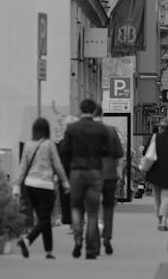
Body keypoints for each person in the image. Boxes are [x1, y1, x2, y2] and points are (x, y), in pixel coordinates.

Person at [59, 99, 110, 259]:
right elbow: (107, 150)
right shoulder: (101, 129)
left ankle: (77, 239)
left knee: (76, 207)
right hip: (95, 171)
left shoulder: (72, 128)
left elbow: (64, 150)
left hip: (76, 171)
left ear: (81, 109)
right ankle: (90, 249)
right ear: (93, 110)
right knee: (92, 211)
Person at [13, 117, 70, 259]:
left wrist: (16, 185)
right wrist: (65, 182)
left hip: (30, 185)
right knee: (45, 219)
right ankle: (27, 240)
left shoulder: (27, 145)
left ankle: (48, 251)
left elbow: (22, 167)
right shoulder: (49, 145)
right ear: (47, 130)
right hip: (45, 186)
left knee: (43, 218)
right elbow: (57, 165)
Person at [93, 105, 123, 255]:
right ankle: (107, 236)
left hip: (92, 173)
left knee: (93, 206)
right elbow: (119, 152)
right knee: (108, 206)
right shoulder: (111, 130)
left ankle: (95, 236)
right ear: (101, 114)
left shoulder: (87, 131)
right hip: (109, 173)